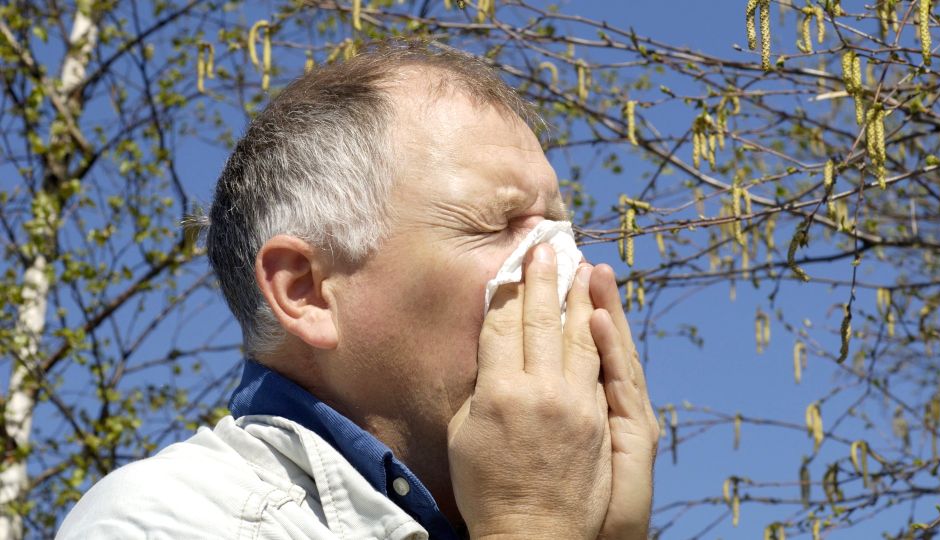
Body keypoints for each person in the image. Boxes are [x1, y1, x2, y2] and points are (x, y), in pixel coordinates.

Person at [58, 40, 659, 539]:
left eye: (563, 229)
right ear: (308, 292)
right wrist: (531, 522)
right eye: (499, 225)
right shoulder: (166, 519)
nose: (564, 264)